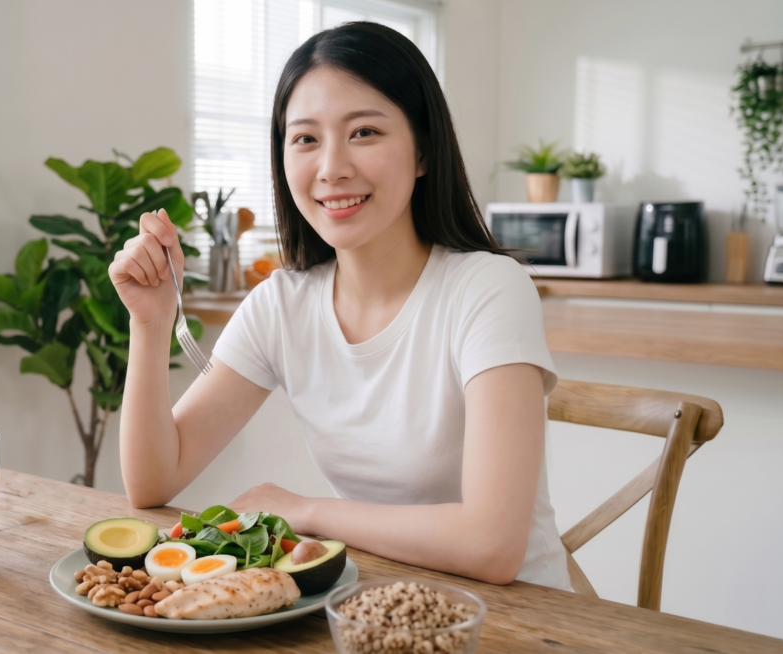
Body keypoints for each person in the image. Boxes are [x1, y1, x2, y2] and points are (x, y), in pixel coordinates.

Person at [108, 21, 569, 590]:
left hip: (525, 618)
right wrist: (151, 325)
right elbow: (152, 481)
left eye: (364, 132)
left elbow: (492, 547)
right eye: (305, 139)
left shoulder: (488, 289)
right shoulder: (282, 305)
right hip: (379, 605)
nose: (331, 168)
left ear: (424, 151)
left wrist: (305, 510)